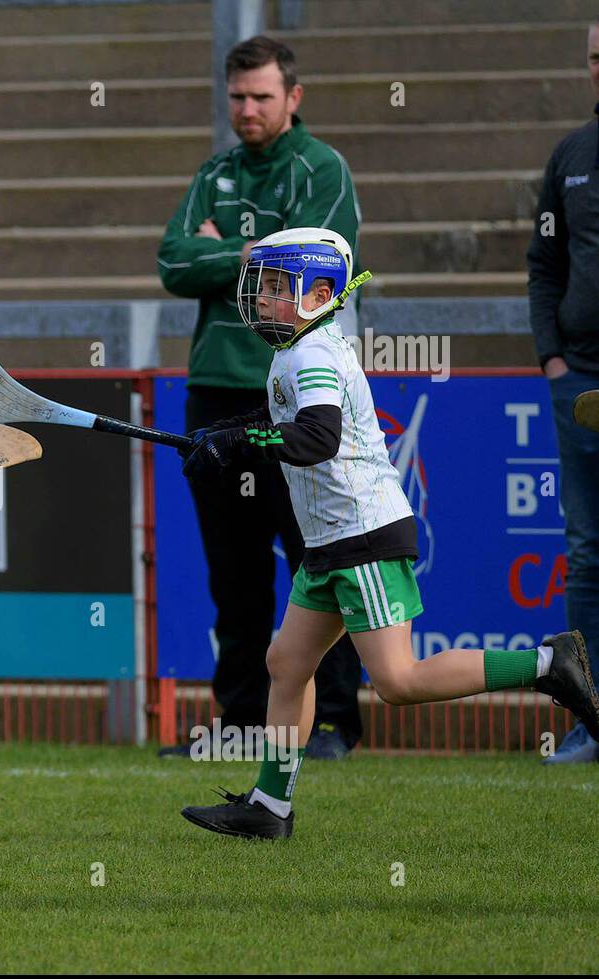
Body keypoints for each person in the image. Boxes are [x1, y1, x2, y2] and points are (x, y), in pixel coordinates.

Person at [178, 228, 599, 839]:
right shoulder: (295, 349)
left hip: (362, 537)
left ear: (321, 293)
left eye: (277, 288)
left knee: (397, 681)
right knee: (287, 663)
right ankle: (270, 809)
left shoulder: (313, 353)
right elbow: (291, 425)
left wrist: (240, 443)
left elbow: (317, 437)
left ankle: (546, 663)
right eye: (262, 287)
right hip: (329, 543)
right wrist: (226, 434)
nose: (263, 299)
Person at [157, 36, 364, 759]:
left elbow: (319, 265)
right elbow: (170, 261)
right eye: (238, 97)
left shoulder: (323, 168)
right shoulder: (213, 171)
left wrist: (228, 252)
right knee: (233, 572)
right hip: (215, 391)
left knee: (319, 555)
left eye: (262, 97)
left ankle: (332, 721)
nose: (247, 109)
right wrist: (253, 255)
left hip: (292, 388)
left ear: (293, 98)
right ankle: (242, 727)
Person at [527, 22, 599, 766]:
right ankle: (593, 723)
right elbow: (543, 263)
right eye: (595, 58)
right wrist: (552, 358)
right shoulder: (571, 156)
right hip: (578, 380)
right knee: (587, 555)